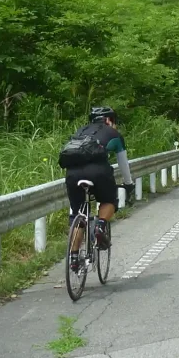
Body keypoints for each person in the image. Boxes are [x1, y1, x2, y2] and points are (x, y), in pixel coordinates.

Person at [62, 106, 135, 271]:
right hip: (98, 173)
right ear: (109, 120)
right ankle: (100, 226)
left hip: (72, 175)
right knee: (109, 200)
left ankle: (74, 259)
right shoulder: (114, 134)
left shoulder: (81, 131)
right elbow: (123, 164)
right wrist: (128, 184)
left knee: (78, 214)